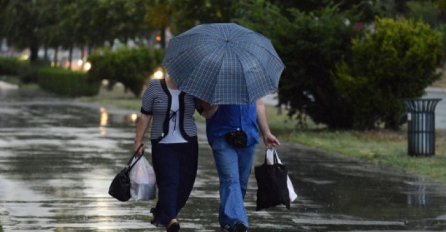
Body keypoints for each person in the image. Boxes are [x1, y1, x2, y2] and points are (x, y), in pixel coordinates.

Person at [133, 75, 200, 232]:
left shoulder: (193, 88)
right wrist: (138, 141)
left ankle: (165, 213)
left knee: (186, 183)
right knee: (170, 181)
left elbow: (206, 112)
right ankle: (172, 221)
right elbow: (145, 116)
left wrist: (211, 104)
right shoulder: (155, 87)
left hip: (188, 144)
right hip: (163, 145)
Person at [202, 99, 280, 232]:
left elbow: (259, 104)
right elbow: (206, 113)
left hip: (248, 135)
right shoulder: (218, 80)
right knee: (230, 179)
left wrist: (266, 132)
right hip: (222, 135)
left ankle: (227, 223)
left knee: (241, 184)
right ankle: (238, 222)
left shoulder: (249, 79)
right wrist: (216, 101)